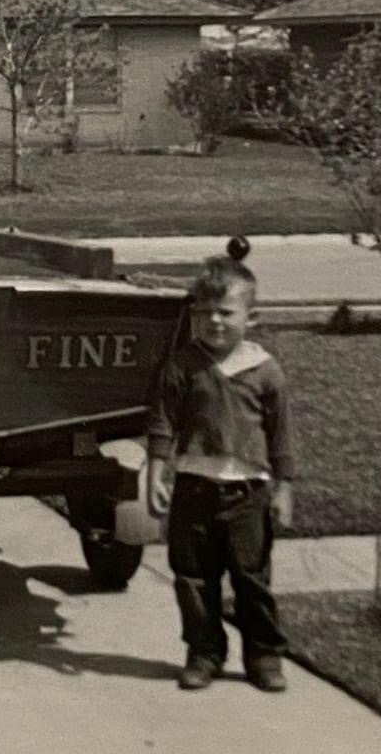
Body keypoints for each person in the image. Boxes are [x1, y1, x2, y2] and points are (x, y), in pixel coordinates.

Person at [147, 256, 294, 693]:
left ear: (251, 317)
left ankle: (264, 654)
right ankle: (204, 651)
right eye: (205, 312)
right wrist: (156, 473)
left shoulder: (266, 371)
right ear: (193, 315)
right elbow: (162, 422)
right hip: (194, 489)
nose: (214, 321)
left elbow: (282, 434)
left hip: (248, 494)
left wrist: (284, 489)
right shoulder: (182, 366)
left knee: (251, 578)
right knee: (192, 577)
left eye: (226, 312)